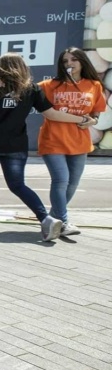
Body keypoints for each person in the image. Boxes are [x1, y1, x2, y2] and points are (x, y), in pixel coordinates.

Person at [0, 53, 95, 240]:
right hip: (16, 146)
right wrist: (82, 119)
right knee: (17, 185)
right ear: (22, 67)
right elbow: (52, 114)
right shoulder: (30, 89)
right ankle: (46, 219)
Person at [37, 48, 108, 238]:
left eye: (74, 60)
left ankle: (52, 220)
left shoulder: (94, 85)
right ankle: (65, 222)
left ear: (83, 62)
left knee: (72, 184)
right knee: (61, 181)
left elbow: (95, 114)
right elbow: (39, 104)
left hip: (79, 142)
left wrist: (92, 121)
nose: (69, 64)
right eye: (65, 61)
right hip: (53, 140)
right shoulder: (48, 85)